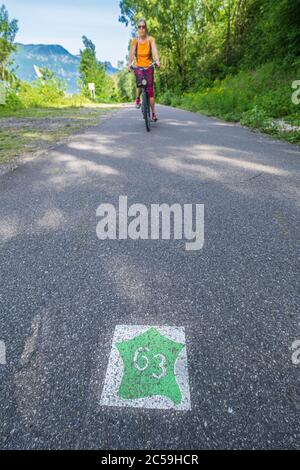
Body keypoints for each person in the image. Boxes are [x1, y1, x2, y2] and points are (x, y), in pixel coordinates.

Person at [128, 18, 161, 122]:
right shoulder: (135, 41)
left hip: (148, 66)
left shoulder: (150, 40)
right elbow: (132, 54)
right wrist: (129, 64)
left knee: (151, 90)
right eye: (139, 27)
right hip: (138, 66)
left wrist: (157, 60)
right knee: (139, 83)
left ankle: (153, 113)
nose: (141, 29)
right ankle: (138, 98)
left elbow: (154, 51)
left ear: (146, 28)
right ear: (137, 29)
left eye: (143, 26)